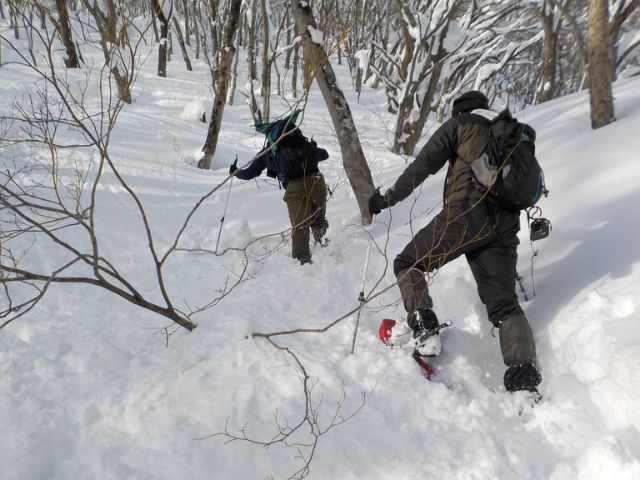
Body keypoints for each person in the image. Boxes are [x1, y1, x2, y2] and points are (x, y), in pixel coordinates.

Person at [368, 91, 542, 393]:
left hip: (464, 216)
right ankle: (523, 373)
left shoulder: (461, 125)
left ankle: (425, 329)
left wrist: (386, 198)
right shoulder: (511, 133)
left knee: (409, 263)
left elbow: (422, 165)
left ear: (458, 113)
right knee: (503, 303)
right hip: (504, 228)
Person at [230, 116, 329, 265]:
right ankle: (325, 251)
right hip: (317, 181)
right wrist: (312, 148)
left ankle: (303, 265)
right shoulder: (303, 143)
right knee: (318, 220)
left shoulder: (269, 151)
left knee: (300, 227)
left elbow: (250, 173)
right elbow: (325, 154)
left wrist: (235, 172)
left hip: (295, 189)